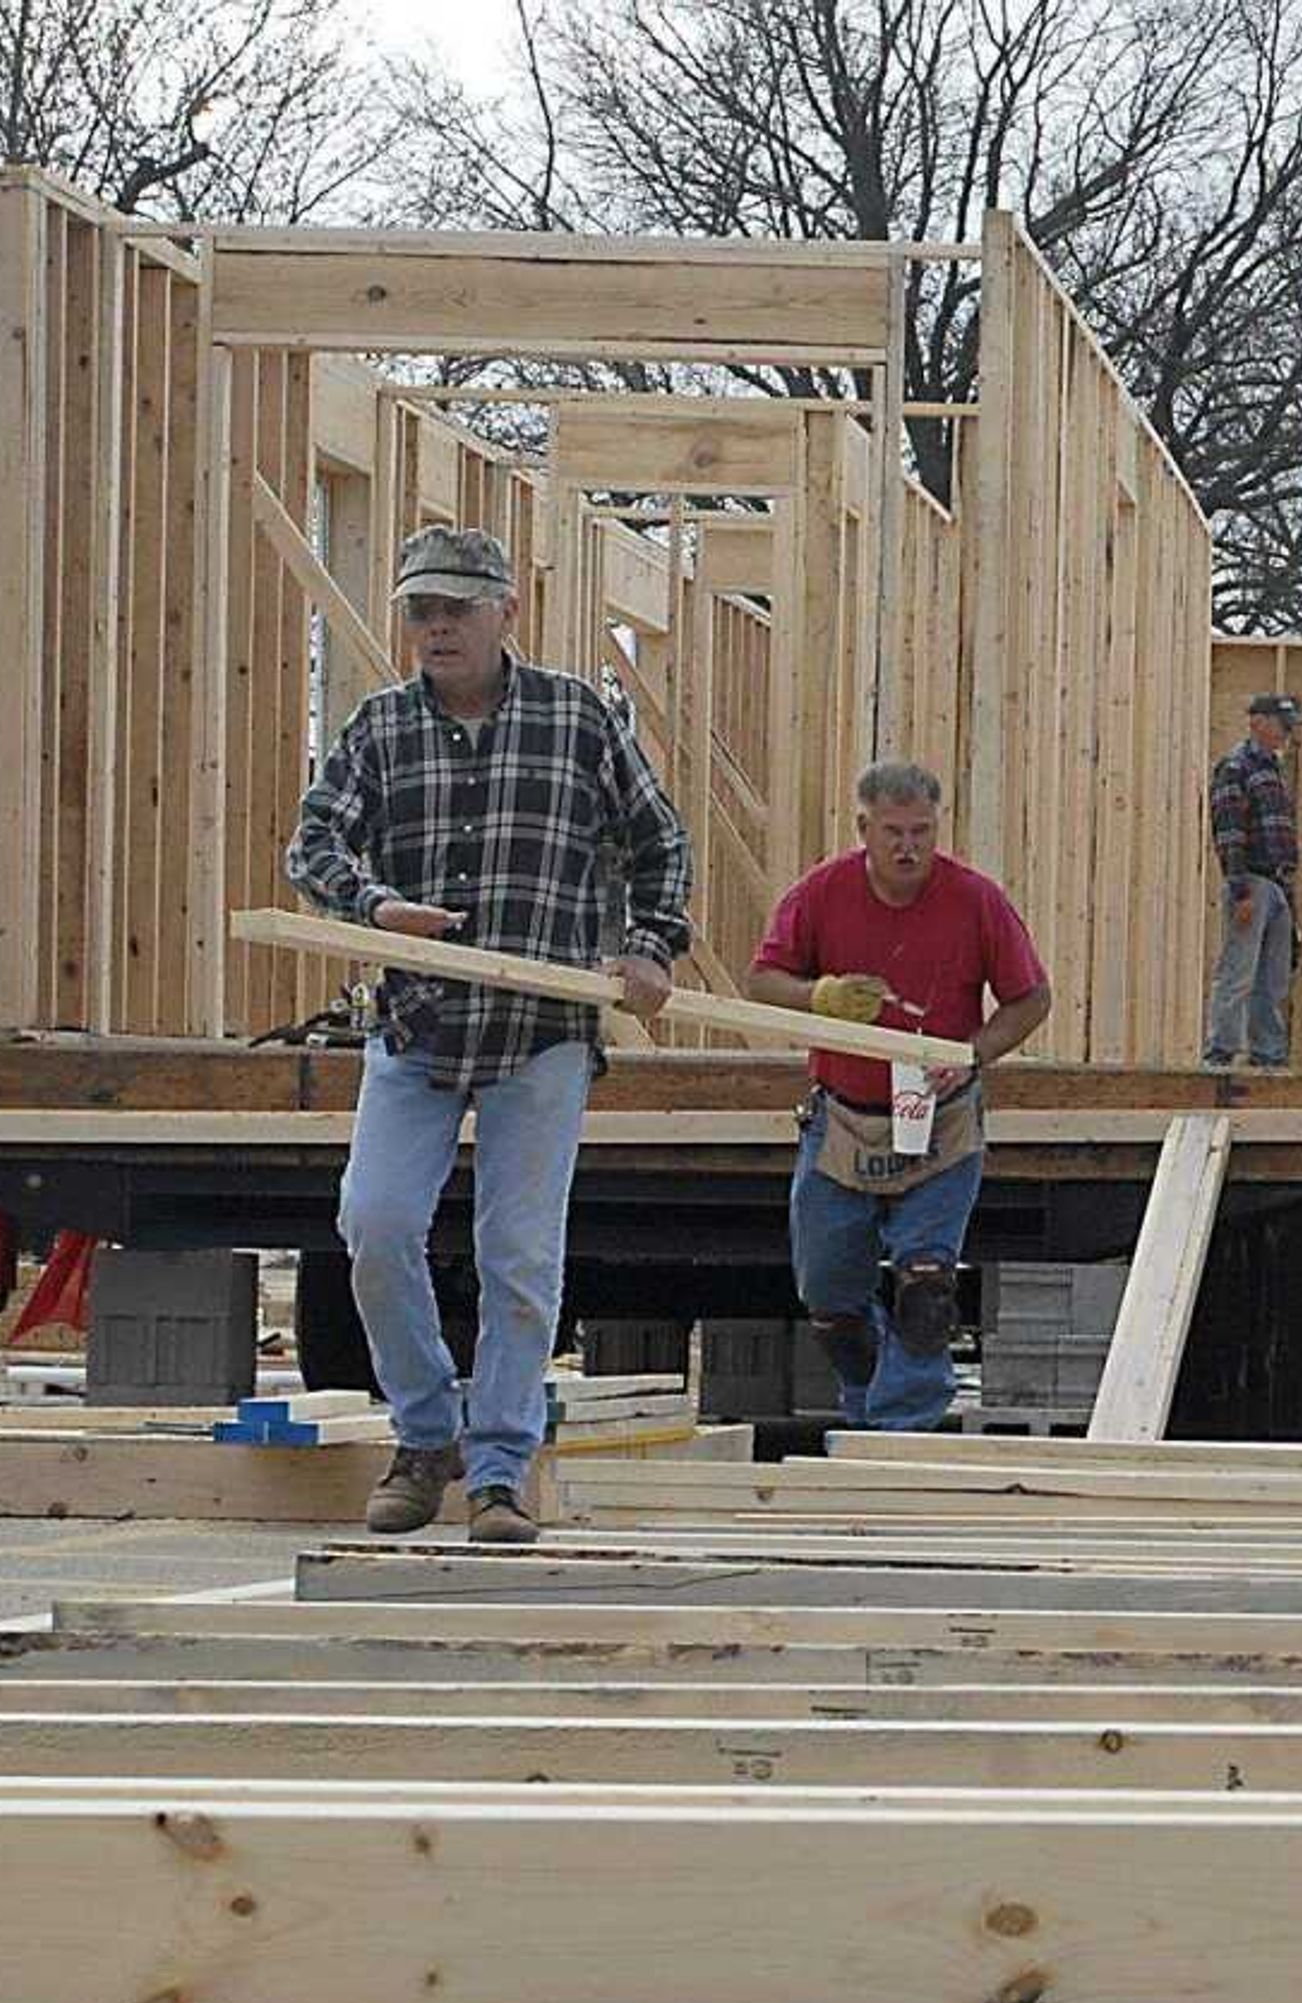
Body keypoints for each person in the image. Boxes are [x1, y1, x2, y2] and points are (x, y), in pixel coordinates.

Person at [287, 523, 692, 1547]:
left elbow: (660, 842)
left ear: (504, 612)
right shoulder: (381, 728)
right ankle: (428, 1437)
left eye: (455, 610)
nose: (435, 629)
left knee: (518, 1254)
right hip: (419, 1022)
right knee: (373, 1225)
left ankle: (502, 1468)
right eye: (421, 611)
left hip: (542, 1029)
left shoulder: (577, 720)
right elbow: (314, 840)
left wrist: (647, 946)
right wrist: (375, 907)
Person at [746, 760, 1052, 1432]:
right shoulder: (821, 893)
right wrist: (818, 996)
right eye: (893, 832)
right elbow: (762, 980)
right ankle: (866, 1393)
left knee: (925, 1283)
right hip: (844, 1120)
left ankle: (902, 1428)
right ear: (864, 828)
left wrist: (973, 1052)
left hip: (941, 1120)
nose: (909, 847)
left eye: (922, 831)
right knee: (829, 1296)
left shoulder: (976, 900)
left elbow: (1031, 998)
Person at [1202, 690, 1302, 1068]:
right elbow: (1229, 831)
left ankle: (1268, 1055)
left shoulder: (1272, 769)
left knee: (1273, 979)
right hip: (1252, 882)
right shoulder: (1236, 767)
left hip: (1276, 885)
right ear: (1258, 722)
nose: (1286, 734)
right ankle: (1221, 1053)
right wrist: (1240, 889)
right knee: (1238, 972)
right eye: (1282, 726)